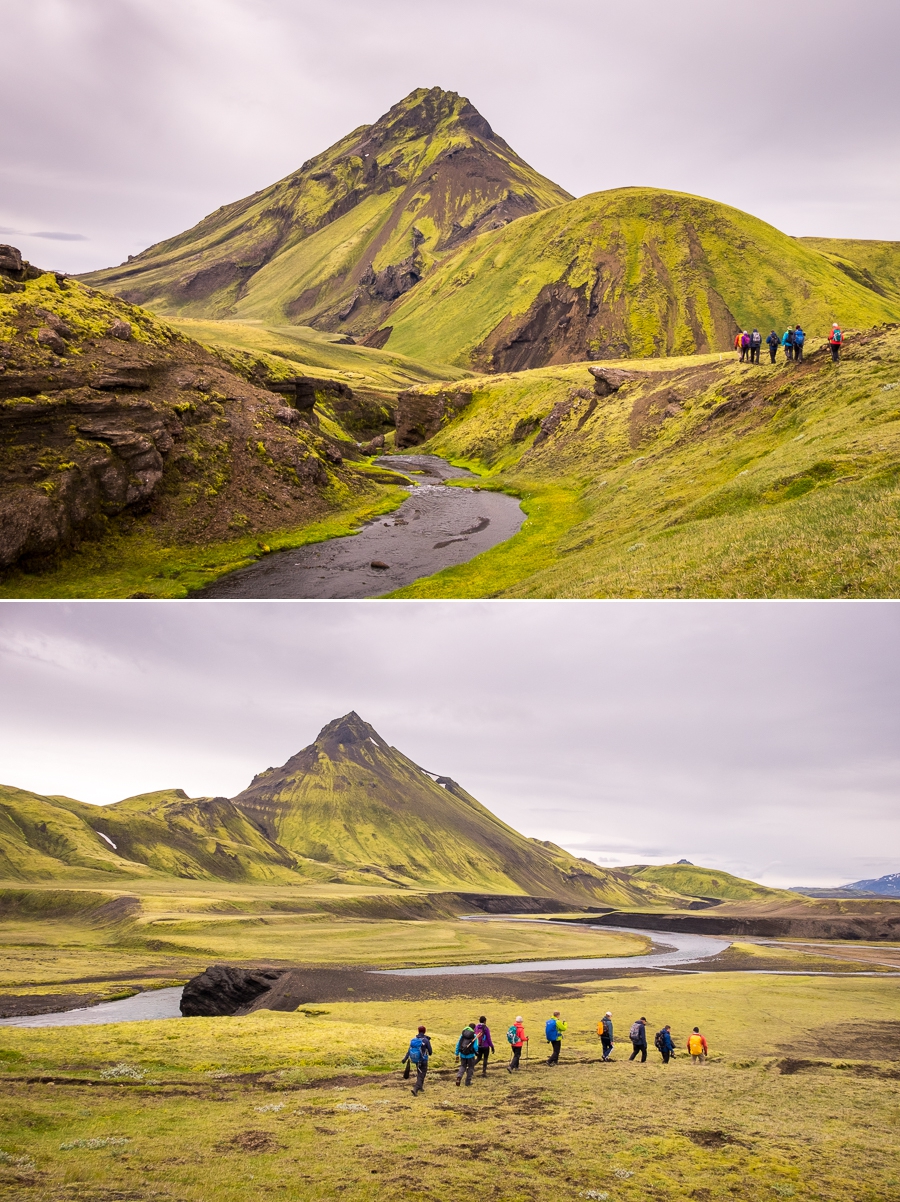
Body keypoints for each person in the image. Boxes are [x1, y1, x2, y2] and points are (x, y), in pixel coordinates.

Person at [404, 1025, 433, 1096]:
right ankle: (415, 1088)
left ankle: (420, 1087)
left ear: (418, 1031)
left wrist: (405, 1059)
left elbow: (409, 1050)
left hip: (416, 1060)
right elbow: (430, 1052)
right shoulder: (425, 1040)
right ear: (424, 1031)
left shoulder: (414, 1040)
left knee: (419, 1073)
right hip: (423, 1060)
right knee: (422, 1075)